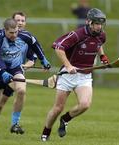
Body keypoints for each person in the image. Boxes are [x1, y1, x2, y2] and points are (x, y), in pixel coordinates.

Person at [41, 8, 109, 141]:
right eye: (96, 24)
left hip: (84, 76)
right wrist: (68, 66)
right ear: (89, 22)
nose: (99, 27)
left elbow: (98, 44)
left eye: (101, 24)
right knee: (57, 108)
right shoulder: (77, 35)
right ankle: (45, 132)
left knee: (85, 104)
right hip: (67, 75)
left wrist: (103, 56)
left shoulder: (101, 35)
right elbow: (59, 48)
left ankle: (65, 119)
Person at [0, 18, 50, 137]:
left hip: (15, 69)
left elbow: (35, 44)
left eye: (16, 32)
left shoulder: (25, 35)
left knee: (22, 90)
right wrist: (2, 72)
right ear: (5, 30)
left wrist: (43, 59)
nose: (14, 35)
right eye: (11, 33)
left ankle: (15, 124)